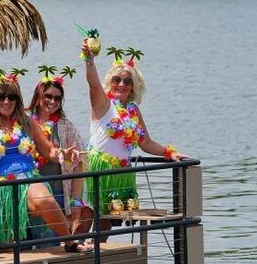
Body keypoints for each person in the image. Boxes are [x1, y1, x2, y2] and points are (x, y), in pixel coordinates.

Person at [0, 69, 91, 253]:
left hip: (29, 178)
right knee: (11, 251)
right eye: (1, 96)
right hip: (1, 189)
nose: (6, 101)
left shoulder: (27, 123)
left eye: (11, 96)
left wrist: (64, 155)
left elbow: (49, 151)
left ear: (18, 99)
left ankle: (70, 241)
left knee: (45, 200)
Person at [80, 43, 187, 239]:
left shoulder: (133, 111)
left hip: (120, 173)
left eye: (127, 81)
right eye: (117, 79)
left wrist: (168, 153)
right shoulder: (103, 105)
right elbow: (93, 84)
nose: (121, 84)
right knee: (87, 215)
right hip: (97, 168)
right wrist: (89, 59)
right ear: (110, 82)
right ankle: (72, 253)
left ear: (133, 87)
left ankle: (96, 260)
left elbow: (145, 142)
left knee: (105, 222)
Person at [26, 70, 93, 238]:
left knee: (50, 242)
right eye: (48, 96)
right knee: (26, 244)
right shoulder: (25, 123)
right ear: (39, 95)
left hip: (59, 193)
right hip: (29, 193)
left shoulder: (64, 125)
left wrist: (76, 201)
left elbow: (81, 161)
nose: (52, 101)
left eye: (57, 98)